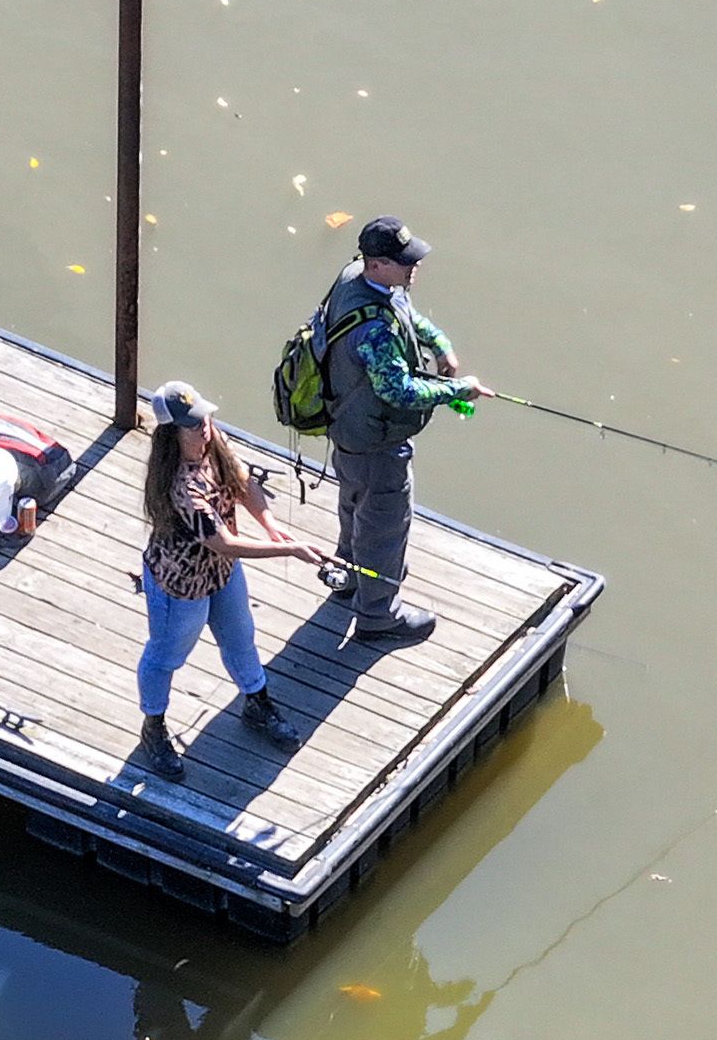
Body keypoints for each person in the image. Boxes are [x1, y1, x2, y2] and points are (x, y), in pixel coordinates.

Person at [133, 380, 326, 783]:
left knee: (240, 637)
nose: (203, 427)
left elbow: (242, 482)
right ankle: (153, 728)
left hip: (221, 574)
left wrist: (271, 526)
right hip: (181, 585)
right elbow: (225, 543)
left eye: (203, 418)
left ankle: (257, 703)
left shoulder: (212, 440)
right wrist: (290, 551)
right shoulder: (181, 486)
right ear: (171, 434)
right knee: (166, 656)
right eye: (192, 425)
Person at [319, 217, 491, 644]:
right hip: (377, 444)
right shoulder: (373, 331)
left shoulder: (355, 280)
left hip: (348, 430)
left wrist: (441, 346)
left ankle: (352, 575)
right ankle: (379, 616)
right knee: (384, 525)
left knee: (354, 505)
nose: (413, 267)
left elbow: (407, 317)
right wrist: (457, 389)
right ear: (376, 264)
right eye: (403, 262)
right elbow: (397, 390)